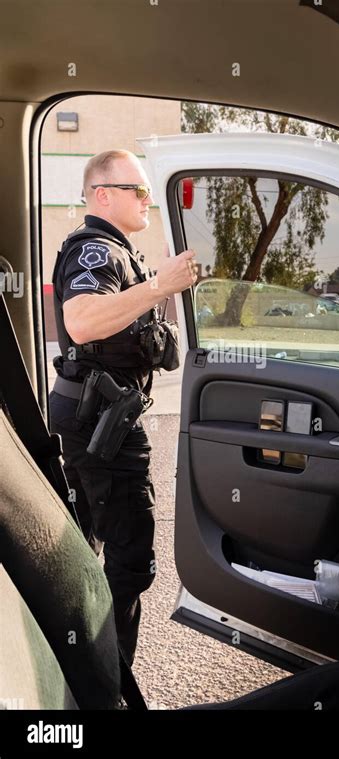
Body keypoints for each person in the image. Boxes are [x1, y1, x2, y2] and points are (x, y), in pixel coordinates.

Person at [49, 149, 198, 665]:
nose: (147, 201)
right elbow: (83, 322)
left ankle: (83, 670)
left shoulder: (119, 252)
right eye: (138, 190)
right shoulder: (96, 251)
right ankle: (110, 688)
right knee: (129, 563)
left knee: (84, 550)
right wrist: (160, 284)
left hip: (102, 425)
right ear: (102, 195)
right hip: (104, 432)